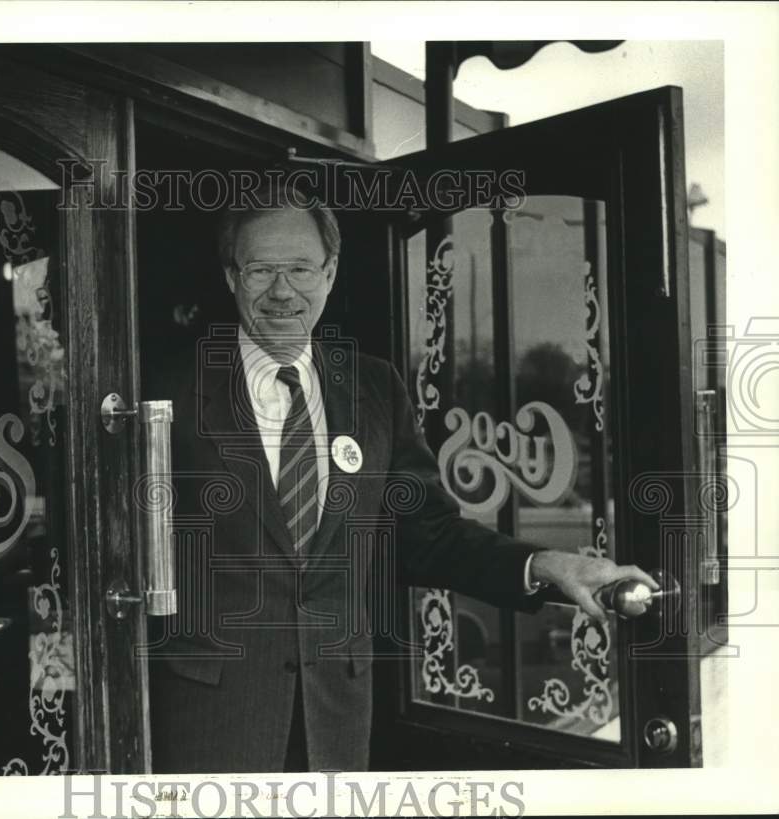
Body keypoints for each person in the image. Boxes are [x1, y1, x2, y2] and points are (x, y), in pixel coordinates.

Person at [146, 181, 657, 774]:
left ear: (331, 272)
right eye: (261, 270)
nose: (282, 291)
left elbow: (429, 535)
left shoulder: (372, 389)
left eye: (302, 269)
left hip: (334, 721)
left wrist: (553, 565)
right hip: (210, 719)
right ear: (232, 277)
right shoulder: (167, 389)